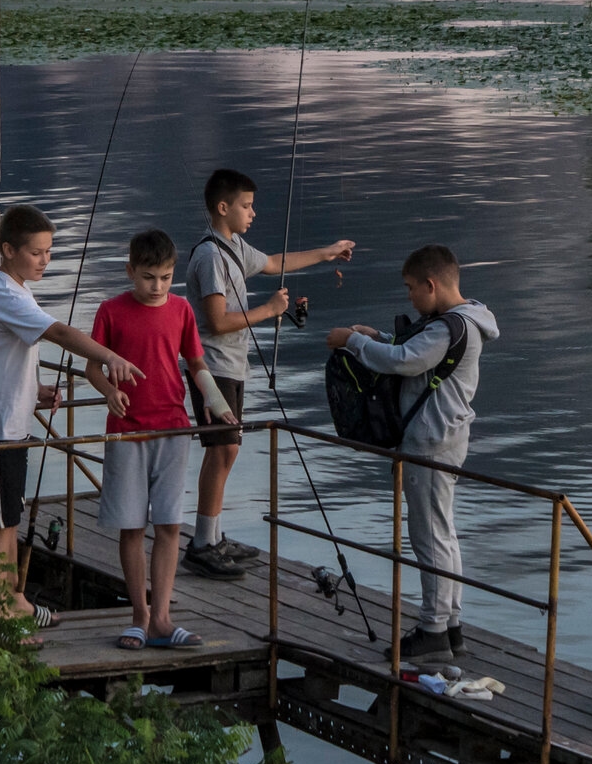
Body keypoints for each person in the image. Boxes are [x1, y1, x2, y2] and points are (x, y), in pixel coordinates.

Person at [0, 203, 141, 623]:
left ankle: (12, 600)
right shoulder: (5, 293)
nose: (45, 260)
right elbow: (58, 332)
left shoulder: (17, 290)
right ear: (8, 249)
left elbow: (2, 358)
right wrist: (109, 355)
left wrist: (34, 389)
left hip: (10, 423)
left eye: (49, 251)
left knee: (10, 518)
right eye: (36, 252)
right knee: (0, 522)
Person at [325, 242, 498, 660]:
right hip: (445, 441)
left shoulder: (446, 328)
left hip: (430, 444)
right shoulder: (458, 322)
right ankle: (450, 623)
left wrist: (352, 342)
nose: (408, 296)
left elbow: (404, 361)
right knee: (444, 532)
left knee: (429, 537)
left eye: (410, 288)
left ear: (431, 284)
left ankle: (434, 629)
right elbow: (417, 354)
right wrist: (377, 336)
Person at [181, 168, 354, 578]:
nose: (253, 212)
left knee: (229, 448)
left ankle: (213, 535)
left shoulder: (234, 246)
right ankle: (203, 543)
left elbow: (275, 262)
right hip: (211, 366)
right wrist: (270, 311)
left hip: (232, 366)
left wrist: (326, 253)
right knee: (221, 448)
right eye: (246, 205)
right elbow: (217, 321)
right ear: (223, 208)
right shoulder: (209, 255)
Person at [85, 228, 238, 649]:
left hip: (174, 428)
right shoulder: (110, 311)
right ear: (131, 270)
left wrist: (218, 403)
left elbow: (196, 362)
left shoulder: (183, 310)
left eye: (166, 277)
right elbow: (92, 369)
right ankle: (140, 615)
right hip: (127, 431)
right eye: (149, 277)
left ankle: (164, 618)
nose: (157, 287)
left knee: (169, 524)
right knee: (132, 526)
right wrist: (109, 391)